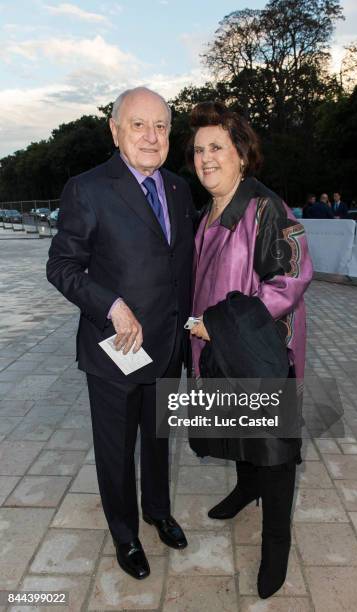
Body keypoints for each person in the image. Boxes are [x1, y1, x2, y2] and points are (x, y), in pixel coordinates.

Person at [46, 87, 194, 581]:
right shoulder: (88, 188)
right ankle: (125, 533)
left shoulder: (177, 187)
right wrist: (109, 304)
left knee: (158, 438)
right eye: (138, 125)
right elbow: (62, 266)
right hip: (116, 352)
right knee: (116, 448)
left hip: (168, 345)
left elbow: (180, 267)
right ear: (115, 130)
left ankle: (157, 511)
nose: (151, 137)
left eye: (161, 127)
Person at [187, 101, 313, 599]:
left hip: (259, 351)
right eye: (198, 150)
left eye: (216, 147)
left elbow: (290, 279)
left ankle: (276, 546)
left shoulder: (266, 208)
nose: (205, 158)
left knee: (273, 451)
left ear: (241, 154)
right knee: (232, 427)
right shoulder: (206, 212)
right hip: (217, 352)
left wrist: (219, 326)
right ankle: (245, 488)